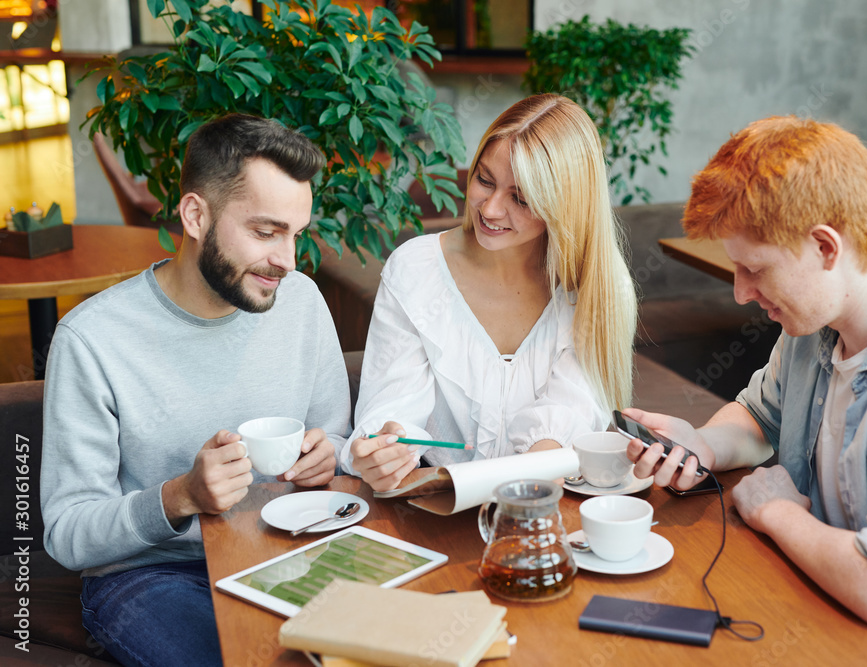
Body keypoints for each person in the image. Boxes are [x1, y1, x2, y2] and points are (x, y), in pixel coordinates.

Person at [624, 115, 867, 655]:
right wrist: (701, 443)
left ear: (826, 247)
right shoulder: (816, 325)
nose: (740, 293)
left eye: (754, 269)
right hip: (823, 609)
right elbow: (759, 418)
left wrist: (777, 511)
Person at [40, 114, 352, 667]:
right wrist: (180, 495)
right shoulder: (92, 339)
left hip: (287, 548)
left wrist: (327, 458)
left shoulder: (301, 302)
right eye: (265, 232)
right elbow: (68, 533)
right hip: (152, 574)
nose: (287, 260)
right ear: (195, 215)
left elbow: (338, 436)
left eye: (295, 234)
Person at [344, 93, 637, 491]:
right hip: (431, 505)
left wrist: (510, 499)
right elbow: (391, 410)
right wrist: (383, 450)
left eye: (520, 198)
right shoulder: (415, 270)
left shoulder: (599, 288)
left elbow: (567, 420)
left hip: (542, 505)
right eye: (484, 180)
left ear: (566, 206)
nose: (491, 209)